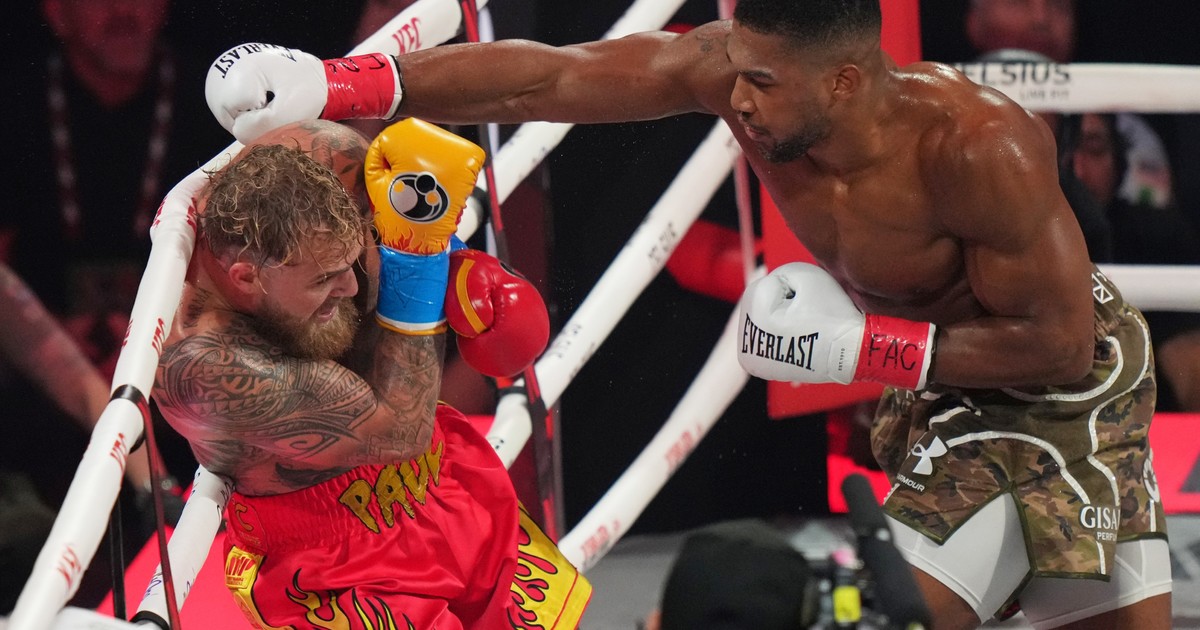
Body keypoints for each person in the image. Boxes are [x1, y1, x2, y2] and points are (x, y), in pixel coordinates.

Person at [202, 0, 1174, 627]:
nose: (736, 99)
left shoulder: (977, 147)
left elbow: (1062, 344)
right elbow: (552, 76)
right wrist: (345, 82)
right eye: (736, 68)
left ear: (844, 80)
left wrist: (862, 348)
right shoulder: (742, 75)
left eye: (764, 83)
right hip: (939, 377)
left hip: (1056, 391)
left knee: (899, 611)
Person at [152, 118, 586, 628]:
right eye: (324, 279)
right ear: (246, 278)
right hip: (334, 563)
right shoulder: (206, 365)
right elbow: (399, 429)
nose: (351, 289)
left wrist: (451, 256)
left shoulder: (328, 160)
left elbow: (388, 221)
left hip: (436, 480)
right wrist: (421, 266)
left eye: (350, 262)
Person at [963, 0, 1175, 210]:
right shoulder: (946, 119)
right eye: (1018, 3)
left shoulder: (1129, 135)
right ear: (974, 22)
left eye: (1058, 6)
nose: (1040, 19)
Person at [1060, 112, 1200, 411]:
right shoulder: (1003, 242)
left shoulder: (1157, 236)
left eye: (1094, 149)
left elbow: (1188, 356)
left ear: (1120, 160)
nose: (1078, 169)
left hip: (1143, 419)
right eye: (1062, 149)